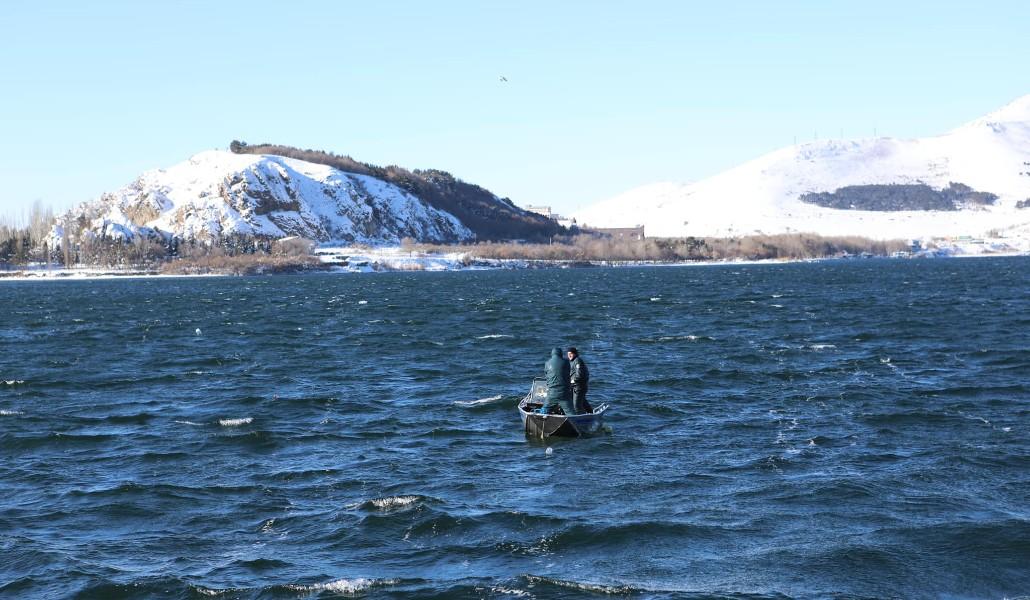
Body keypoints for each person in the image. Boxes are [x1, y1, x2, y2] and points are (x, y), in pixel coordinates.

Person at [540, 347, 574, 415]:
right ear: (560, 354)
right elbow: (568, 372)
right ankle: (576, 423)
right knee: (570, 413)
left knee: (545, 409)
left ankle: (542, 419)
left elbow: (546, 375)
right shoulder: (566, 362)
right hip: (564, 394)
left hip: (551, 393)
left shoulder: (547, 363)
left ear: (552, 354)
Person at [567, 347, 592, 414]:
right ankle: (591, 413)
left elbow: (579, 375)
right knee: (582, 401)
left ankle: (583, 418)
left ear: (575, 354)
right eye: (568, 354)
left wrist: (572, 381)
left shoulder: (577, 361)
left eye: (571, 354)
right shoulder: (572, 362)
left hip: (579, 387)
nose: (569, 355)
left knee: (576, 405)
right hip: (576, 387)